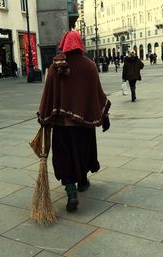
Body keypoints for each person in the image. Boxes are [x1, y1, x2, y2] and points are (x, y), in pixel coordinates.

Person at [37, 30, 111, 212]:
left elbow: (48, 95)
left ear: (64, 44)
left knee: (64, 157)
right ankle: (83, 181)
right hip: (84, 125)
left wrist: (44, 117)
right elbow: (98, 94)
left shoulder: (56, 66)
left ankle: (71, 192)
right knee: (83, 153)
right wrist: (105, 116)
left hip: (62, 126)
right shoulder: (90, 65)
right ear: (80, 43)